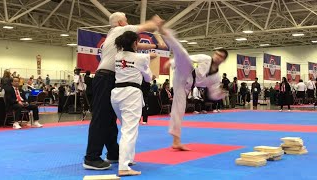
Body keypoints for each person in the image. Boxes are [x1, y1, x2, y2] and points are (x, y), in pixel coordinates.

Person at [83, 12, 165, 170]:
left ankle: (114, 153)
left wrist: (154, 46)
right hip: (106, 77)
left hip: (111, 79)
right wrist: (156, 23)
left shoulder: (116, 38)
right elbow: (144, 27)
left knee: (109, 118)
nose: (128, 23)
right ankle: (91, 157)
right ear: (121, 22)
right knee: (101, 117)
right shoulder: (119, 30)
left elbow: (135, 44)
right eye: (126, 21)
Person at [161, 28, 227, 150]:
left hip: (186, 86)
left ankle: (176, 141)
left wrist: (222, 94)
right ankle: (167, 34)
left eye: (221, 56)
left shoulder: (216, 78)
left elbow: (213, 94)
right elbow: (188, 58)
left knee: (179, 110)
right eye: (217, 54)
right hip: (184, 72)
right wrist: (173, 62)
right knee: (184, 55)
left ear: (223, 60)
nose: (217, 57)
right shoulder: (205, 58)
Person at [111, 31, 154, 176]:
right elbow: (148, 78)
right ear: (135, 43)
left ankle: (127, 159)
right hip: (131, 94)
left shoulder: (117, 56)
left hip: (116, 93)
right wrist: (150, 75)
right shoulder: (141, 57)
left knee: (127, 128)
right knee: (129, 130)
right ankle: (123, 166)